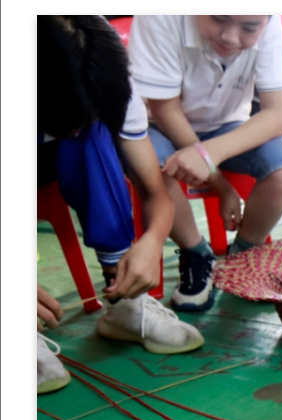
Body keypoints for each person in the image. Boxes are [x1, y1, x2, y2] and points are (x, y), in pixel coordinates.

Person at [37, 15, 205, 396]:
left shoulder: (104, 80)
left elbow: (155, 192)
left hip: (51, 145)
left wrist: (151, 241)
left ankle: (126, 304)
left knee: (92, 141)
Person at [128, 15, 282, 311]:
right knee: (150, 168)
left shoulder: (269, 18)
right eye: (219, 19)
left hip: (226, 126)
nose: (231, 37)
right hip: (159, 126)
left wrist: (207, 156)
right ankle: (196, 252)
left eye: (250, 28)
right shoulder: (158, 15)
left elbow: (276, 116)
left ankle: (243, 254)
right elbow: (165, 110)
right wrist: (220, 184)